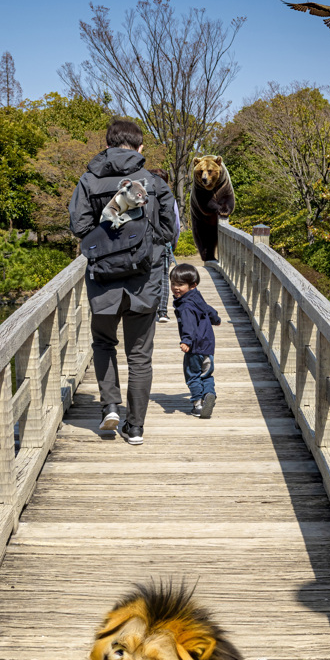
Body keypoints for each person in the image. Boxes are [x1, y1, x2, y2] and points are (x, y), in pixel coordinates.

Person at [69, 120, 177, 446]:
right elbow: (170, 232)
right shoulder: (155, 183)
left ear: (108, 145)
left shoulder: (89, 180)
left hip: (102, 278)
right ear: (140, 148)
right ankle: (136, 428)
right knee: (140, 355)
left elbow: (79, 226)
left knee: (104, 344)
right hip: (144, 281)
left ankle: (109, 408)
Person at [170, 263, 221, 419]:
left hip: (194, 347)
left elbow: (189, 325)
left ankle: (198, 405)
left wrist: (186, 341)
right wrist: (215, 318)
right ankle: (209, 394)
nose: (175, 288)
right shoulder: (196, 296)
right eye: (173, 284)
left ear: (192, 285)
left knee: (193, 375)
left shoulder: (185, 306)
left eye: (180, 285)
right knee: (207, 374)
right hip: (208, 346)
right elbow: (207, 308)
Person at [148, 168, 180, 323]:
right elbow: (176, 224)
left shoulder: (142, 194)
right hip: (164, 242)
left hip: (146, 242)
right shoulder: (169, 197)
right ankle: (162, 312)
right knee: (163, 276)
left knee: (148, 276)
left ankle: (150, 311)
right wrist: (173, 243)